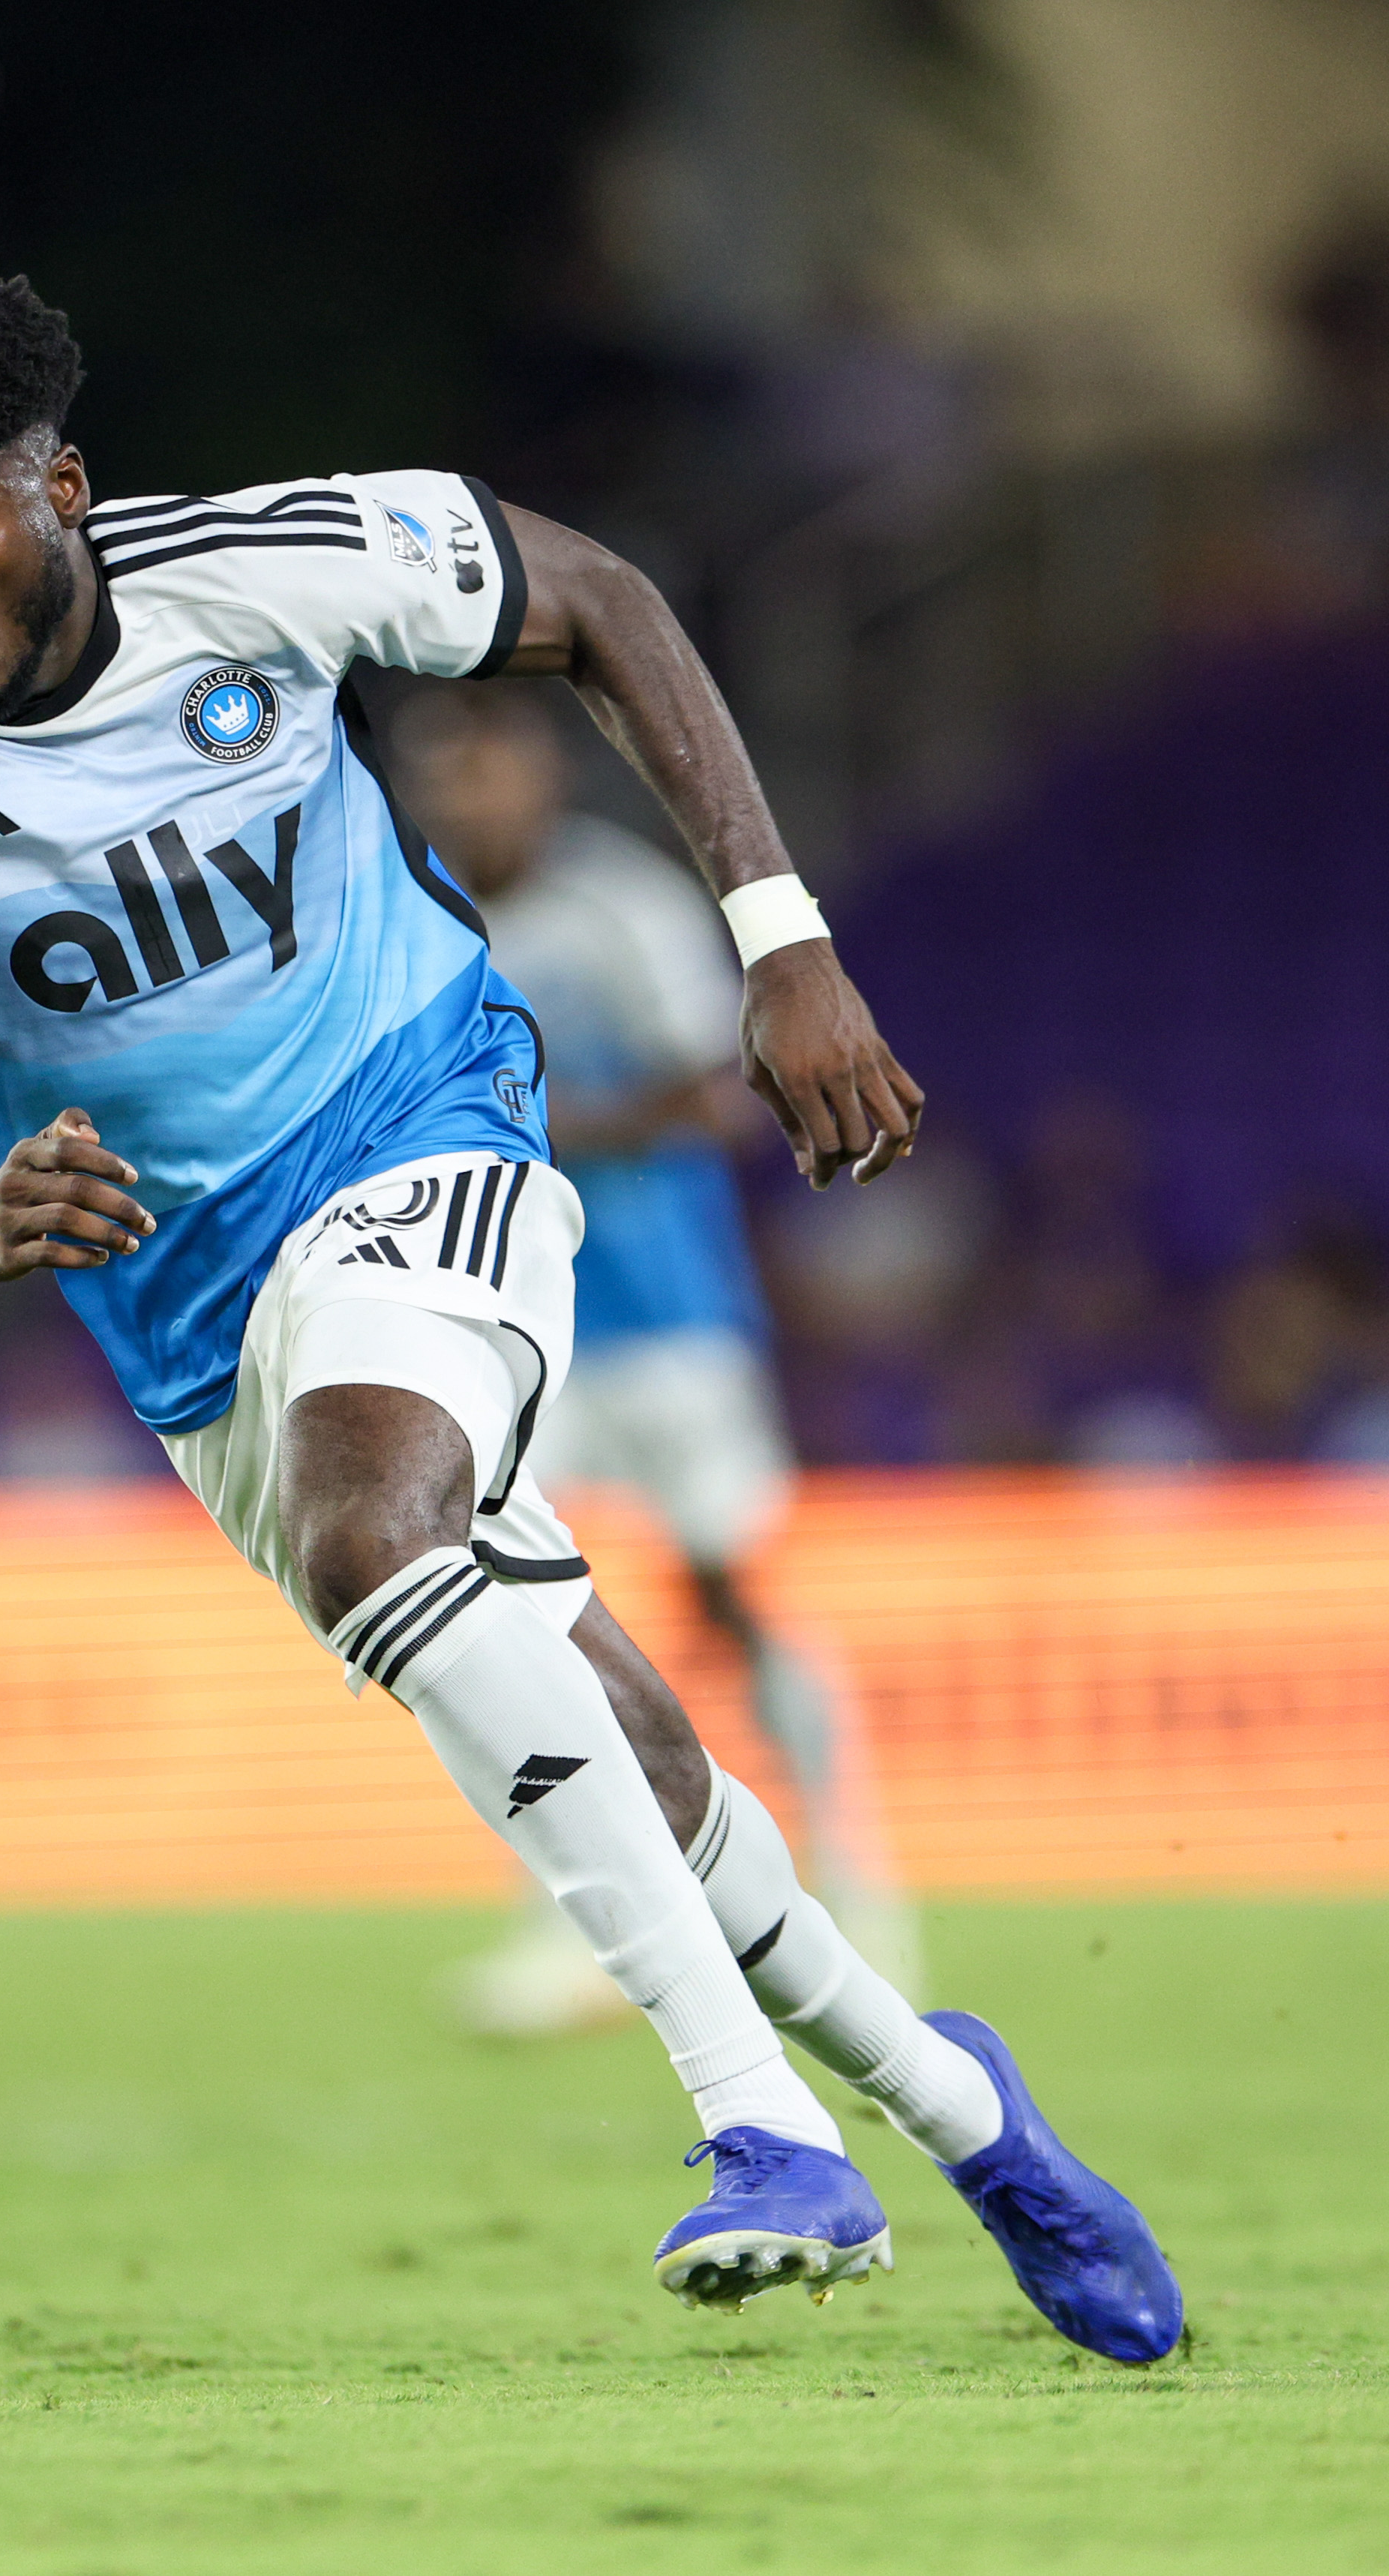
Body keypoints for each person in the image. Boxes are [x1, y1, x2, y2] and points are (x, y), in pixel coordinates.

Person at [0, 273, 1176, 2359]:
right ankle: (966, 2110)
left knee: (383, 1524)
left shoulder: (267, 574)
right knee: (610, 1740)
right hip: (190, 1321)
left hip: (426, 1122)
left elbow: (602, 604)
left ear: (64, 489)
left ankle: (763, 2130)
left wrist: (780, 938)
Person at [388, 683, 917, 2040]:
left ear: (544, 777)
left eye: (489, 770)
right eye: (444, 777)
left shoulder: (624, 907)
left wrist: (529, 1127)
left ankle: (863, 1894)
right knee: (503, 1622)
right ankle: (572, 1933)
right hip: (504, 1328)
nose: (469, 799)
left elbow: (716, 1090)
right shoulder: (401, 920)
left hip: (668, 1316)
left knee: (730, 1592)